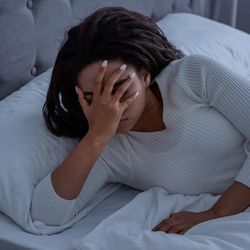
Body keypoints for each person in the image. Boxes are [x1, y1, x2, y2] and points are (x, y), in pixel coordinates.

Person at [31, 6, 250, 234]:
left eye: (120, 88)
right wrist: (96, 137)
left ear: (144, 76)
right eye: (92, 98)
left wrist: (218, 212)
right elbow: (44, 217)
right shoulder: (110, 152)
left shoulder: (192, 76)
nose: (111, 107)